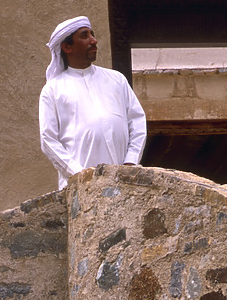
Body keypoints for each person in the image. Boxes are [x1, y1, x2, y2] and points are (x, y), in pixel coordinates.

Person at [38, 16, 147, 189]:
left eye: (92, 34)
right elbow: (49, 140)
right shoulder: (53, 90)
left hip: (122, 182)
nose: (94, 40)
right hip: (79, 186)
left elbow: (137, 121)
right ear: (67, 47)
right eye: (84, 36)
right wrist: (80, 174)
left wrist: (131, 162)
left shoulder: (116, 79)